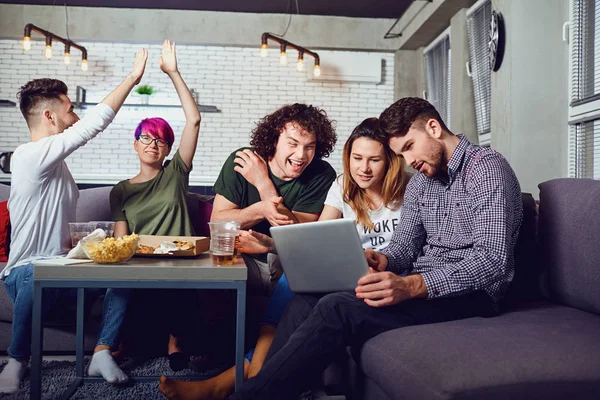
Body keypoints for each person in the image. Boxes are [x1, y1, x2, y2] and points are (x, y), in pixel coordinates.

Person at [225, 97, 524, 399]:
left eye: (408, 147)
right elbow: (404, 247)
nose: (408, 162)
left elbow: (493, 260)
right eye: (400, 154)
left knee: (338, 307)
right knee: (306, 296)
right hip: (421, 287)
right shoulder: (423, 181)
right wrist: (382, 260)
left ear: (433, 127)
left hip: (472, 297)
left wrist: (413, 284)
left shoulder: (485, 169)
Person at [158, 117, 410, 400]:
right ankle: (252, 376)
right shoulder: (343, 187)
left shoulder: (409, 190)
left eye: (374, 159)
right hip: (346, 273)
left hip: (384, 278)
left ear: (390, 160)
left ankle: (243, 378)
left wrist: (264, 187)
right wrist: (267, 242)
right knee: (297, 277)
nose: (364, 168)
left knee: (295, 280)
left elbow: (300, 231)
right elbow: (314, 239)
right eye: (357, 158)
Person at [0, 49, 148, 394]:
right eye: (70, 110)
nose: (76, 116)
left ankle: (101, 351)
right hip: (25, 274)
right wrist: (131, 79)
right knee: (36, 271)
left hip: (63, 270)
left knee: (124, 273)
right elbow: (95, 124)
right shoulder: (29, 156)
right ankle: (17, 360)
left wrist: (83, 246)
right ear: (50, 116)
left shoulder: (55, 165)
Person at [91, 39, 202, 380]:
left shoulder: (176, 172)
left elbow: (194, 120)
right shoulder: (121, 191)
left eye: (161, 140)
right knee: (120, 281)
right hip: (141, 262)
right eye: (147, 138)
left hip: (180, 259)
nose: (154, 144)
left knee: (179, 286)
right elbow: (122, 244)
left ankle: (174, 343)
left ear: (168, 148)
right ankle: (107, 348)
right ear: (135, 143)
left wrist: (173, 72)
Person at [209, 103, 338, 296]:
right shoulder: (245, 160)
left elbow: (299, 238)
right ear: (275, 139)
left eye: (309, 147)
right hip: (243, 258)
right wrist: (261, 210)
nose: (301, 155)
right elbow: (218, 223)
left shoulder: (321, 173)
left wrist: (263, 184)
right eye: (292, 144)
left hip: (288, 261)